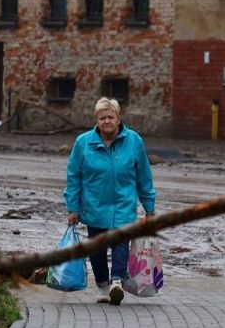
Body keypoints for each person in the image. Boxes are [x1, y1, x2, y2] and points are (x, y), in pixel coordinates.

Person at [64, 97, 156, 305]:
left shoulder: (133, 141)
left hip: (124, 206)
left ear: (118, 118)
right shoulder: (83, 143)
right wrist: (72, 207)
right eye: (102, 117)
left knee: (120, 243)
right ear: (96, 120)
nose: (107, 121)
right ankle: (103, 286)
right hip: (94, 206)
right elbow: (73, 177)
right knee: (97, 249)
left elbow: (144, 176)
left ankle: (117, 281)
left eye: (110, 117)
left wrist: (149, 207)